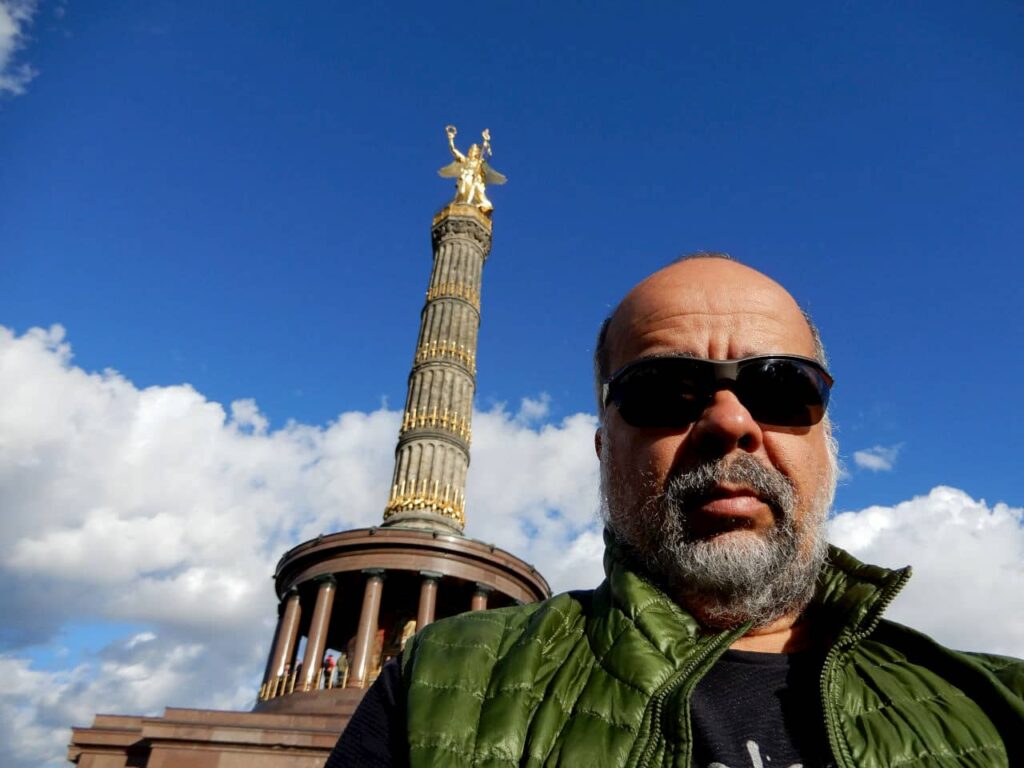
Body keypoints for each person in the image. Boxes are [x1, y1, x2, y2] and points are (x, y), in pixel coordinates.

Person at [327, 254, 1024, 767]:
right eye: (663, 391)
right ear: (604, 450)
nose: (731, 422)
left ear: (827, 443)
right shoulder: (444, 684)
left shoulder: (999, 707)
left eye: (782, 389)